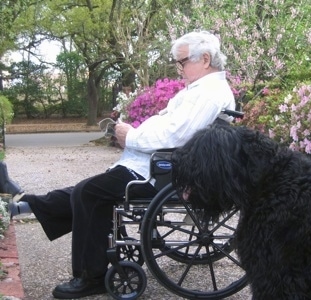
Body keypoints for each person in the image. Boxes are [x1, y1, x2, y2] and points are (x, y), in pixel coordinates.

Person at [9, 30, 236, 299]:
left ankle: (89, 276)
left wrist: (131, 136)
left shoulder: (207, 94)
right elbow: (175, 132)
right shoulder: (202, 90)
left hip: (162, 172)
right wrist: (132, 136)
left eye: (182, 62)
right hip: (157, 165)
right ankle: (27, 206)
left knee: (89, 193)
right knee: (88, 192)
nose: (179, 69)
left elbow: (175, 136)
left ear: (206, 59)